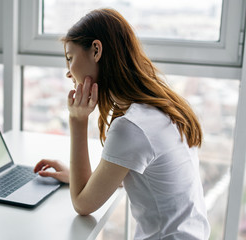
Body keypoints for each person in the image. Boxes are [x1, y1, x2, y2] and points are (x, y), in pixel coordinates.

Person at [33, 8, 210, 240]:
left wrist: (78, 121)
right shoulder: (161, 106)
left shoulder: (132, 126)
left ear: (96, 50)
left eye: (70, 58)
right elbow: (135, 173)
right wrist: (77, 177)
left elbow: (82, 204)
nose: (68, 72)